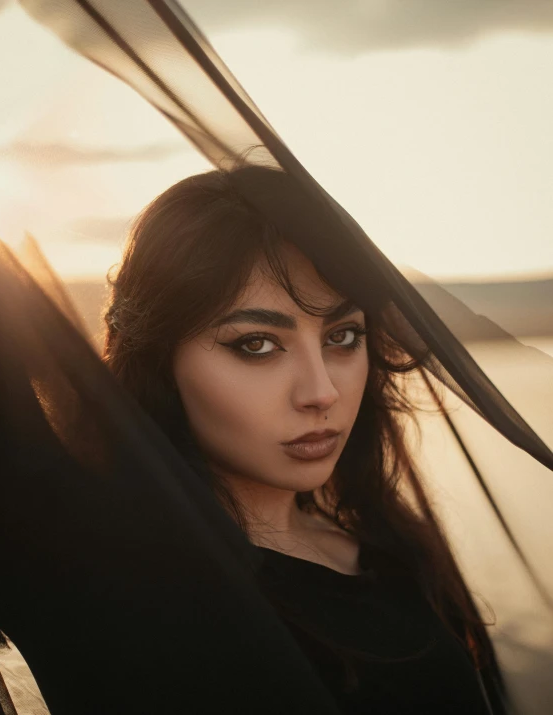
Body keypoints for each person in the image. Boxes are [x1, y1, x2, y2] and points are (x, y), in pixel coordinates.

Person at [101, 165, 504, 714]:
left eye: (343, 336)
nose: (322, 392)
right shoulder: (166, 610)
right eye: (257, 346)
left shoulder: (388, 553)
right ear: (159, 360)